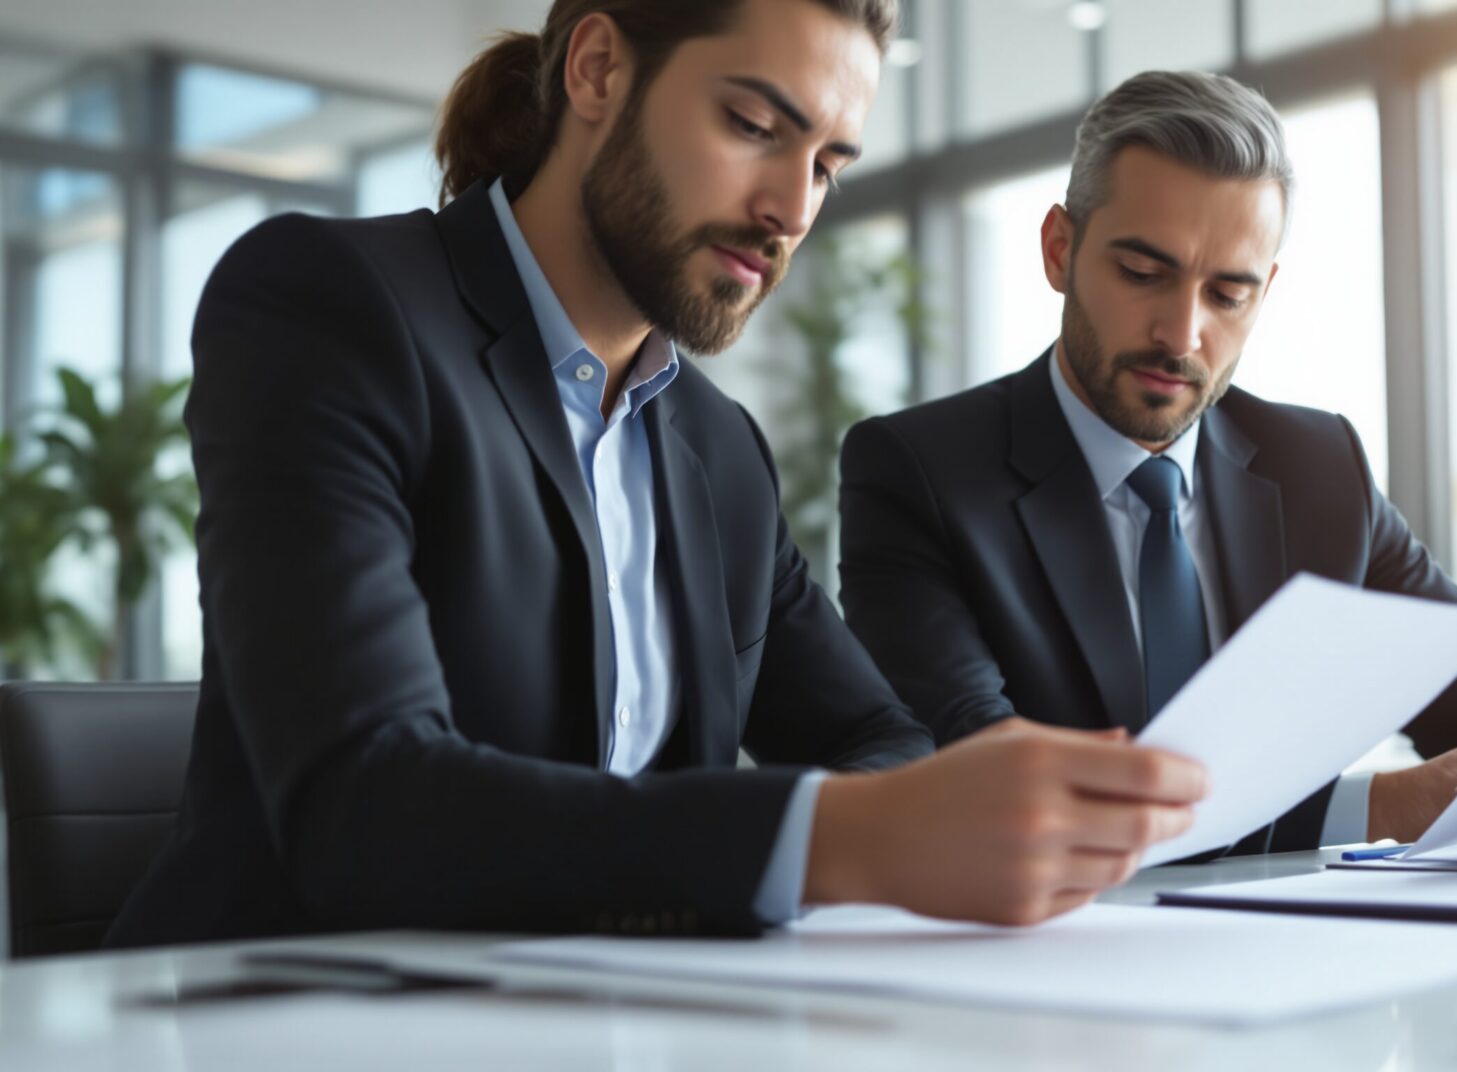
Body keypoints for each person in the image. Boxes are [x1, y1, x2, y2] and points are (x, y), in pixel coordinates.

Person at [107, 0, 1206, 950]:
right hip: (285, 1018)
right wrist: (846, 840)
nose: (792, 208)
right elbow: (365, 803)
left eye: (826, 163)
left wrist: (903, 822)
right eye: (752, 125)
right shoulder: (333, 306)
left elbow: (881, 739)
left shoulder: (717, 447)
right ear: (598, 70)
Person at [838, 70, 1457, 860]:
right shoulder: (918, 472)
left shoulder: (1320, 467)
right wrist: (1379, 805)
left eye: (1228, 294)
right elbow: (985, 773)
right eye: (1144, 273)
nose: (1182, 334)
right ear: (1059, 249)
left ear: (1266, 291)